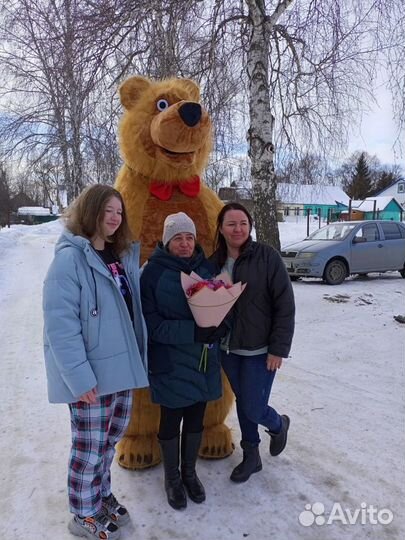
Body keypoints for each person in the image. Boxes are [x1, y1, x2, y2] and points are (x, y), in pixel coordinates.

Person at [43, 184, 149, 540]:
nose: (115, 218)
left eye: (119, 212)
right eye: (107, 211)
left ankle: (100, 496)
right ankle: (82, 512)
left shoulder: (119, 256)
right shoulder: (70, 259)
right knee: (88, 449)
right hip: (92, 376)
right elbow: (61, 324)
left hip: (121, 370)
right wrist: (78, 377)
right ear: (90, 212)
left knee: (107, 444)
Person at [140, 212, 228, 510]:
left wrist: (221, 324)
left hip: (203, 360)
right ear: (167, 241)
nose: (185, 243)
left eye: (189, 237)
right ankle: (172, 478)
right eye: (178, 238)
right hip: (171, 360)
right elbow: (152, 325)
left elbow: (219, 306)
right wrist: (194, 330)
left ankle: (190, 474)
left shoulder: (206, 267)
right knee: (170, 419)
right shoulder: (151, 273)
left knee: (195, 418)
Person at [210, 202, 295, 483]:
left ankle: (277, 424)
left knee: (253, 407)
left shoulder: (267, 257)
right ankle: (252, 456)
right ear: (221, 228)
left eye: (243, 223)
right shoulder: (214, 262)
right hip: (228, 349)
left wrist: (278, 349)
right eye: (231, 224)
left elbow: (285, 304)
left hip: (260, 350)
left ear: (250, 226)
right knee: (245, 401)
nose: (238, 229)